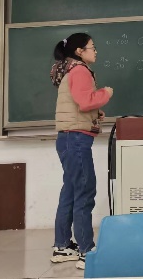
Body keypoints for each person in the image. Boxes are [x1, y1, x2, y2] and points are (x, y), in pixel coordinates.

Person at [49, 33, 113, 270]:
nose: (95, 51)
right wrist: (106, 93)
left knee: (71, 191)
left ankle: (63, 246)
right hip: (76, 140)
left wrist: (95, 114)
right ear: (79, 51)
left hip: (67, 139)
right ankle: (87, 252)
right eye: (92, 47)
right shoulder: (81, 71)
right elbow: (85, 101)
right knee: (85, 190)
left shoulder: (70, 71)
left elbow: (79, 104)